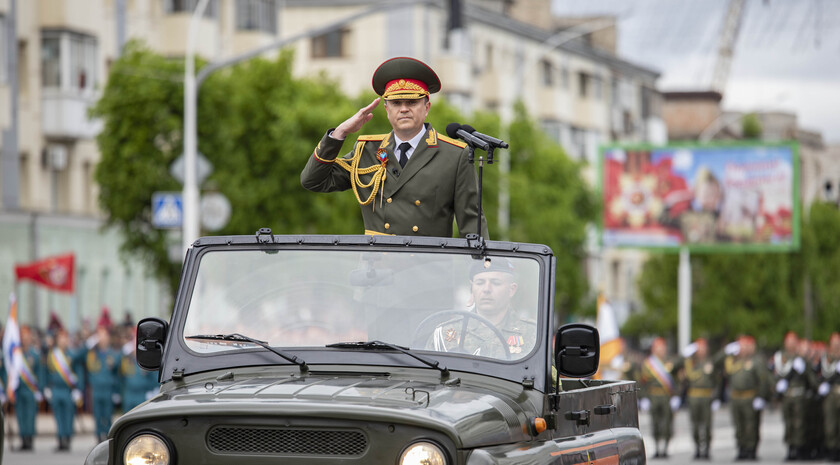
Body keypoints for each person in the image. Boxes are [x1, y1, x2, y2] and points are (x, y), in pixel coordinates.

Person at [301, 56, 487, 238]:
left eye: (412, 102)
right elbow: (313, 181)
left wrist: (484, 267)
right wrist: (339, 133)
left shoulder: (453, 155)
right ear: (386, 109)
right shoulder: (367, 150)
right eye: (396, 103)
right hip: (376, 266)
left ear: (427, 107)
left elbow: (471, 222)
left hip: (428, 265)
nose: (404, 109)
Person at [429, 258, 535, 359]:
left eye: (495, 283)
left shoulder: (533, 334)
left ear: (511, 290)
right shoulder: (445, 334)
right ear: (472, 288)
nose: (486, 289)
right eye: (480, 283)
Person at [724, 335, 770, 461]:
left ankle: (751, 449)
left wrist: (761, 396)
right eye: (740, 346)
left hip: (750, 397)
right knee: (739, 425)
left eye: (744, 346)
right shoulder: (733, 361)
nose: (742, 349)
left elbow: (763, 380)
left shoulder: (756, 361)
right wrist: (726, 352)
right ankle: (741, 448)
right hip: (736, 398)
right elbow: (717, 364)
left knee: (751, 425)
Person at [773, 332, 815, 460]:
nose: (790, 344)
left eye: (792, 342)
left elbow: (810, 378)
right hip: (787, 395)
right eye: (788, 341)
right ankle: (790, 447)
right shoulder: (781, 357)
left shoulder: (801, 359)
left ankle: (799, 448)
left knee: (799, 423)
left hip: (798, 394)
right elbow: (775, 374)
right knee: (788, 422)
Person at [679, 338, 723, 460]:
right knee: (695, 424)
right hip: (693, 396)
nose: (701, 351)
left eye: (703, 348)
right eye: (699, 348)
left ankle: (707, 449)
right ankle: (697, 448)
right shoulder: (690, 362)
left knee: (707, 424)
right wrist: (685, 355)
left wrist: (716, 397)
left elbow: (717, 380)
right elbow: (677, 367)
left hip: (706, 396)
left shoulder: (710, 362)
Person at [639, 337, 680, 458]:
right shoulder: (648, 364)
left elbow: (676, 381)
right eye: (658, 347)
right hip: (653, 396)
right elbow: (643, 382)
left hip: (666, 396)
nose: (660, 350)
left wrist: (676, 396)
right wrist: (644, 398)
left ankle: (665, 448)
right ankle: (657, 448)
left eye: (662, 347)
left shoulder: (670, 361)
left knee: (667, 423)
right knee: (655, 422)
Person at [45, 328, 85, 452]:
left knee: (68, 416)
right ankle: (60, 439)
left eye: (65, 339)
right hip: (56, 389)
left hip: (68, 390)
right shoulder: (52, 355)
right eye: (61, 339)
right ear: (57, 341)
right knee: (58, 416)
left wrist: (78, 389)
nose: (63, 341)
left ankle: (67, 439)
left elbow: (79, 373)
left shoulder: (72, 355)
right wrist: (46, 387)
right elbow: (47, 372)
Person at [86, 324, 122, 442]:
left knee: (107, 415)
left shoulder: (112, 354)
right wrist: (89, 344)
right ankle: (98, 437)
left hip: (108, 389)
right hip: (96, 389)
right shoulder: (92, 353)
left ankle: (107, 439)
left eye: (104, 336)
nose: (102, 339)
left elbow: (117, 371)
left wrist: (117, 391)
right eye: (99, 336)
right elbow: (79, 356)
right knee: (97, 415)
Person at [13, 326, 44, 451]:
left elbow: (40, 374)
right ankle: (23, 439)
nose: (25, 339)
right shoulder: (16, 354)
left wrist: (39, 390)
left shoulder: (35, 355)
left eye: (27, 337)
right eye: (23, 337)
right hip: (19, 389)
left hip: (31, 389)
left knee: (30, 415)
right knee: (20, 415)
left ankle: (30, 439)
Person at [820, 332, 840, 462]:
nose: (836, 346)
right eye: (834, 343)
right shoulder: (826, 359)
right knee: (830, 424)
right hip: (830, 396)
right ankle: (832, 449)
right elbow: (822, 373)